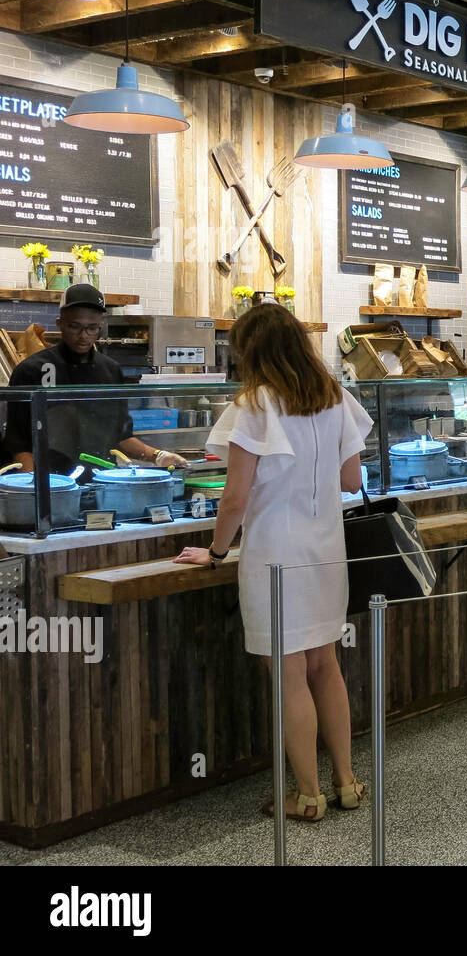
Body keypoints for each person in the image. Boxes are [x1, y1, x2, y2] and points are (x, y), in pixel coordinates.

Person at [174, 305, 375, 823]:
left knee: (288, 676)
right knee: (326, 667)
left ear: (253, 351)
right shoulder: (334, 396)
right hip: (326, 552)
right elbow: (352, 480)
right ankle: (347, 783)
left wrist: (216, 552)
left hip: (275, 559)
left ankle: (306, 796)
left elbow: (234, 498)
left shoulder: (255, 404)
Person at [6, 284, 188, 473]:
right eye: (74, 326)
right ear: (60, 324)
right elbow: (18, 444)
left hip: (100, 482)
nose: (83, 336)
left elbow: (121, 438)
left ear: (99, 327)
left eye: (91, 328)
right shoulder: (32, 370)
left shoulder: (110, 370)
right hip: (50, 481)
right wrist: (34, 487)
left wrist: (158, 456)